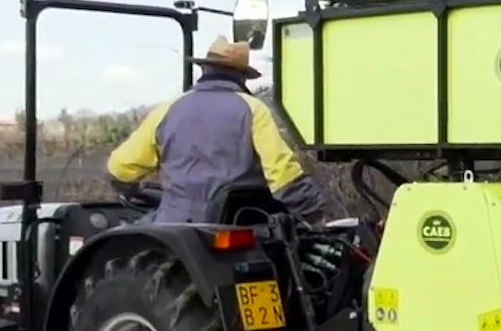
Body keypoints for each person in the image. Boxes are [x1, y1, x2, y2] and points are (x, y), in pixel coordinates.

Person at [107, 36, 336, 224]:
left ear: (205, 69)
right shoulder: (253, 109)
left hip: (176, 226)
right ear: (242, 76)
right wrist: (312, 213)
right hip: (241, 223)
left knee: (120, 241)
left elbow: (120, 168)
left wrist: (132, 190)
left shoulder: (167, 110)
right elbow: (282, 173)